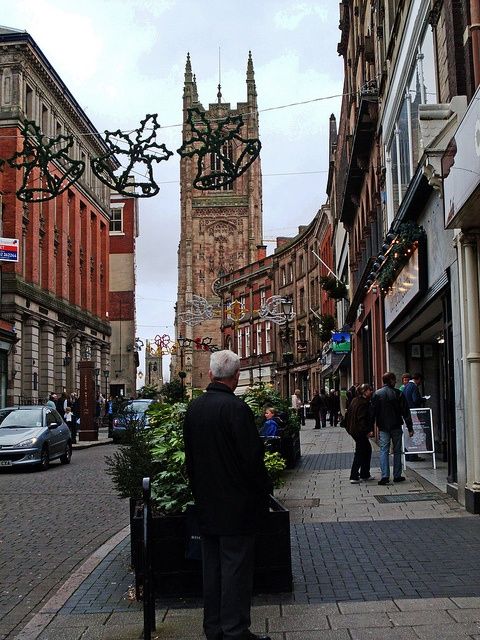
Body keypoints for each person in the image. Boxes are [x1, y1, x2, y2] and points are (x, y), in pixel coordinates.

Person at [183, 350, 272, 640]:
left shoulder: (194, 409)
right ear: (235, 378)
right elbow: (252, 459)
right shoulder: (237, 409)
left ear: (210, 374)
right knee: (236, 570)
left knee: (212, 570)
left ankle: (214, 627)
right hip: (237, 506)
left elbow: (190, 460)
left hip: (207, 502)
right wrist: (262, 492)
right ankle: (235, 630)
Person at [371, 372, 414, 485]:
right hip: (396, 425)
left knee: (384, 450)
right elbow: (406, 412)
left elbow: (373, 413)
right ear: (390, 380)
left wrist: (371, 427)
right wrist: (410, 427)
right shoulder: (398, 393)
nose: (395, 382)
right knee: (397, 450)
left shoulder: (377, 394)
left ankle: (385, 475)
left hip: (383, 427)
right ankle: (397, 475)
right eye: (394, 380)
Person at [345, 383, 374, 483]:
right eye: (370, 390)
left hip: (353, 430)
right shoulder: (363, 403)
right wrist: (367, 431)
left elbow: (348, 415)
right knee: (361, 452)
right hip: (359, 431)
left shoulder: (354, 400)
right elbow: (361, 419)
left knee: (365, 450)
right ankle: (354, 475)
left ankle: (364, 473)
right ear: (364, 392)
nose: (371, 392)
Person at [402, 372, 427, 460]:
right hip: (413, 413)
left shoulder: (407, 386)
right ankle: (413, 455)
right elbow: (415, 399)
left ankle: (408, 455)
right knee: (414, 432)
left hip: (406, 413)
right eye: (421, 381)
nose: (420, 383)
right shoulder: (413, 387)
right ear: (418, 379)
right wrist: (423, 399)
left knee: (408, 435)